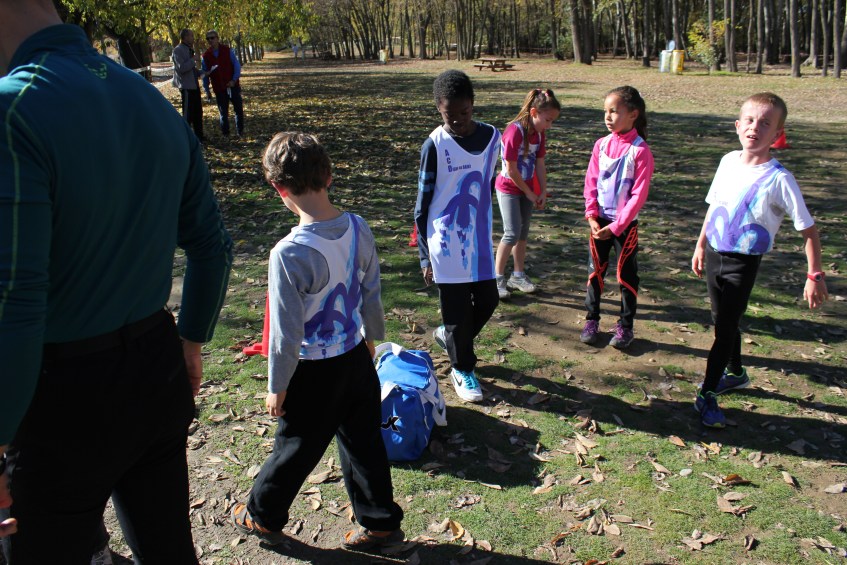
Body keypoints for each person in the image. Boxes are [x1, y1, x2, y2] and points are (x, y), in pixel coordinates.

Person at [0, 2, 233, 563]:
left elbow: (14, 301)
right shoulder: (147, 99)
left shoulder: (13, 108)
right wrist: (190, 342)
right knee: (168, 549)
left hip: (58, 398)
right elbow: (213, 246)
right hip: (156, 370)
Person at [230, 132, 404, 551]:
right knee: (363, 444)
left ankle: (261, 515)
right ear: (329, 175)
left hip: (313, 372)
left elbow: (285, 333)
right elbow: (372, 292)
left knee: (295, 447)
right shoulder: (358, 227)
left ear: (278, 188)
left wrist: (277, 385)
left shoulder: (288, 253)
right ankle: (380, 523)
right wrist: (372, 339)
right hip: (356, 361)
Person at [691, 92, 828, 428]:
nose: (755, 127)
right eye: (750, 120)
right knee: (722, 320)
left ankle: (707, 393)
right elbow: (714, 205)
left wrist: (815, 275)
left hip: (743, 264)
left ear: (777, 134)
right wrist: (700, 245)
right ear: (738, 126)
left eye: (766, 123)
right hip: (714, 255)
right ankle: (736, 373)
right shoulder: (727, 161)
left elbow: (809, 231)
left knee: (725, 328)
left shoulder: (780, 179)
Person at [414, 70, 501, 404]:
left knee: (489, 300)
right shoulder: (434, 145)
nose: (458, 121)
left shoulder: (492, 137)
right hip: (444, 244)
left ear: (473, 104)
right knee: (458, 312)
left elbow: (491, 180)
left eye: (463, 112)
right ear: (439, 109)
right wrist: (425, 256)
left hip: (478, 241)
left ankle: (450, 337)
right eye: (449, 115)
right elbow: (422, 205)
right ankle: (462, 368)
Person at [580, 85, 654, 350]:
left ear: (633, 114)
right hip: (598, 223)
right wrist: (592, 215)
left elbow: (638, 195)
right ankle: (591, 321)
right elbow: (591, 181)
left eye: (614, 111)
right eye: (605, 111)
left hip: (624, 228)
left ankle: (625, 326)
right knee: (595, 273)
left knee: (626, 276)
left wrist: (617, 226)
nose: (608, 117)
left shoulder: (640, 151)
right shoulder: (600, 145)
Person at [494, 88, 561, 300]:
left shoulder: (539, 134)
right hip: (509, 188)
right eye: (547, 120)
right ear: (533, 112)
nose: (549, 125)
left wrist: (542, 191)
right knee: (511, 233)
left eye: (552, 121)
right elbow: (511, 170)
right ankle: (497, 279)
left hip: (527, 189)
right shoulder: (514, 132)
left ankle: (518, 275)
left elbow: (540, 164)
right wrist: (530, 193)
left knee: (522, 234)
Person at [202, 30, 245, 137]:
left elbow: (236, 65)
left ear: (217, 38)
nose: (210, 40)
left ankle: (240, 131)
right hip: (219, 88)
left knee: (238, 110)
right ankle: (226, 134)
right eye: (208, 39)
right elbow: (205, 74)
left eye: (212, 38)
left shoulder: (227, 50)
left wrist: (233, 80)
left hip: (232, 86)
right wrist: (207, 90)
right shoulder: (206, 56)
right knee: (223, 113)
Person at [172, 28, 205, 141]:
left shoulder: (189, 49)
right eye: (191, 36)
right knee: (188, 115)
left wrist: (201, 73)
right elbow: (181, 68)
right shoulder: (178, 50)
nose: (193, 38)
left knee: (198, 113)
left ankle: (199, 136)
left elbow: (191, 70)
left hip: (194, 86)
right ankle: (185, 138)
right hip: (186, 87)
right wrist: (193, 60)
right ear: (185, 37)